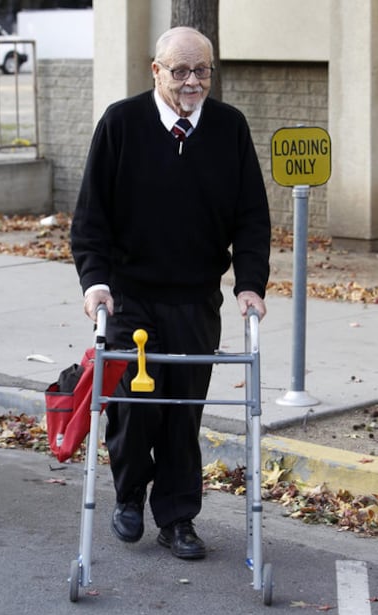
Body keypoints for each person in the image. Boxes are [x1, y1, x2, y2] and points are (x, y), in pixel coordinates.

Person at [71, 26, 270, 561]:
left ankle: (178, 518)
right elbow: (90, 219)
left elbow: (252, 216)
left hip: (195, 296)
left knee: (183, 411)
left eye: (201, 70)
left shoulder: (228, 128)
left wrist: (250, 284)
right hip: (130, 294)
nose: (191, 82)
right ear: (155, 71)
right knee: (138, 405)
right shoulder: (121, 123)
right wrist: (95, 283)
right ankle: (130, 496)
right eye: (179, 71)